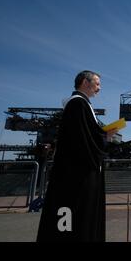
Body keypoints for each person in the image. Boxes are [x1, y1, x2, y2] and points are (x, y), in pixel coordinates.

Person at [37, 70, 117, 242]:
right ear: (85, 83)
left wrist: (102, 136)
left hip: (73, 173)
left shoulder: (80, 104)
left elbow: (84, 137)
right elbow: (84, 141)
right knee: (78, 219)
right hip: (78, 176)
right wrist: (106, 137)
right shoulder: (78, 104)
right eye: (97, 84)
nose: (99, 88)